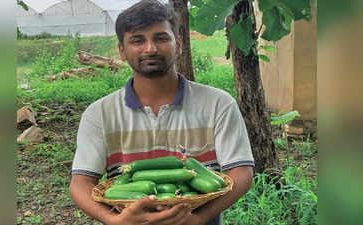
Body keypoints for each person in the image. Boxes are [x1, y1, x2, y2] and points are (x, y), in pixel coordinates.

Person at [69, 0, 254, 224]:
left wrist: (199, 218)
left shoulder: (218, 104)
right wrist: (114, 221)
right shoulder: (99, 113)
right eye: (138, 40)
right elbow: (81, 183)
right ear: (122, 51)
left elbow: (241, 173)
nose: (150, 48)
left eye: (161, 38)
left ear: (179, 44)